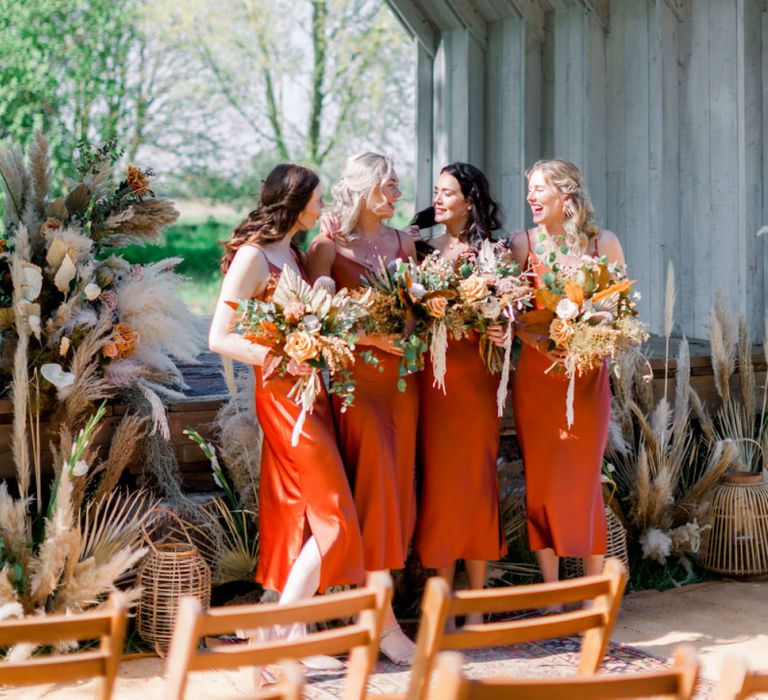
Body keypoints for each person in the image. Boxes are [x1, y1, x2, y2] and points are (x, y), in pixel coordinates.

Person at [209, 164, 365, 666]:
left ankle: (290, 637)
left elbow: (305, 312)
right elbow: (220, 337)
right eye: (318, 199)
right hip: (281, 395)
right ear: (294, 202)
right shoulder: (253, 256)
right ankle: (275, 637)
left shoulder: (291, 253)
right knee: (336, 517)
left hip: (311, 392)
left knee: (298, 513)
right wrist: (281, 357)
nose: (323, 206)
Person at [306, 152, 418, 665]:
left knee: (395, 493)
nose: (396, 193)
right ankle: (382, 622)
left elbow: (419, 309)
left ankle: (371, 614)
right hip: (355, 386)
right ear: (365, 187)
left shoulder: (403, 243)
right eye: (389, 185)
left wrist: (407, 331)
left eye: (397, 185)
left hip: (401, 383)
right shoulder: (327, 245)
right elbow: (311, 320)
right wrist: (369, 333)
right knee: (373, 494)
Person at [507, 159, 626, 592]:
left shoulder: (603, 242)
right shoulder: (522, 244)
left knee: (584, 480)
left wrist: (590, 334)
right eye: (530, 189)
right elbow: (513, 317)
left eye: (539, 189)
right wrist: (540, 341)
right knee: (540, 481)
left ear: (566, 196)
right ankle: (552, 592)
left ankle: (592, 591)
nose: (530, 197)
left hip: (588, 376)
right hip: (537, 379)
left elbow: (619, 308)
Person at [411, 163, 507, 622]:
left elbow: (511, 308)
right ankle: (442, 600)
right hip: (434, 378)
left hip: (476, 378)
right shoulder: (419, 248)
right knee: (441, 486)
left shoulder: (493, 251)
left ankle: (476, 605)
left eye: (448, 192)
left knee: (475, 482)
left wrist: (501, 325)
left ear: (470, 199)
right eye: (436, 192)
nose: (440, 199)